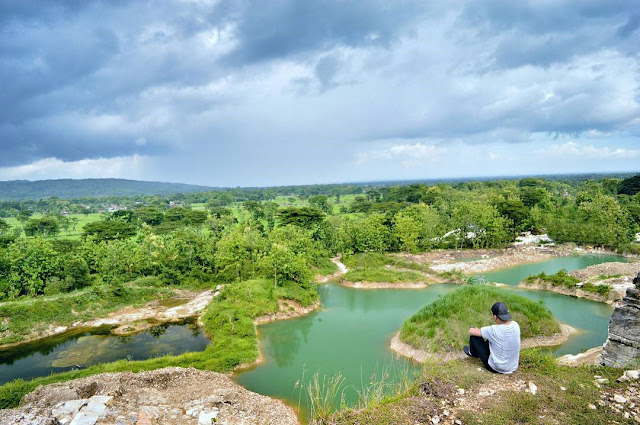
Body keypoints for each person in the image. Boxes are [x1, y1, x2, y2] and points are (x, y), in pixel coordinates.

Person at [463, 302, 520, 374]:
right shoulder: (515, 325)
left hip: (496, 368)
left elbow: (471, 332)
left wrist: (474, 329)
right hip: (513, 367)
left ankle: (472, 353)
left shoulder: (493, 330)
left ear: (495, 317)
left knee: (474, 336)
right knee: (491, 338)